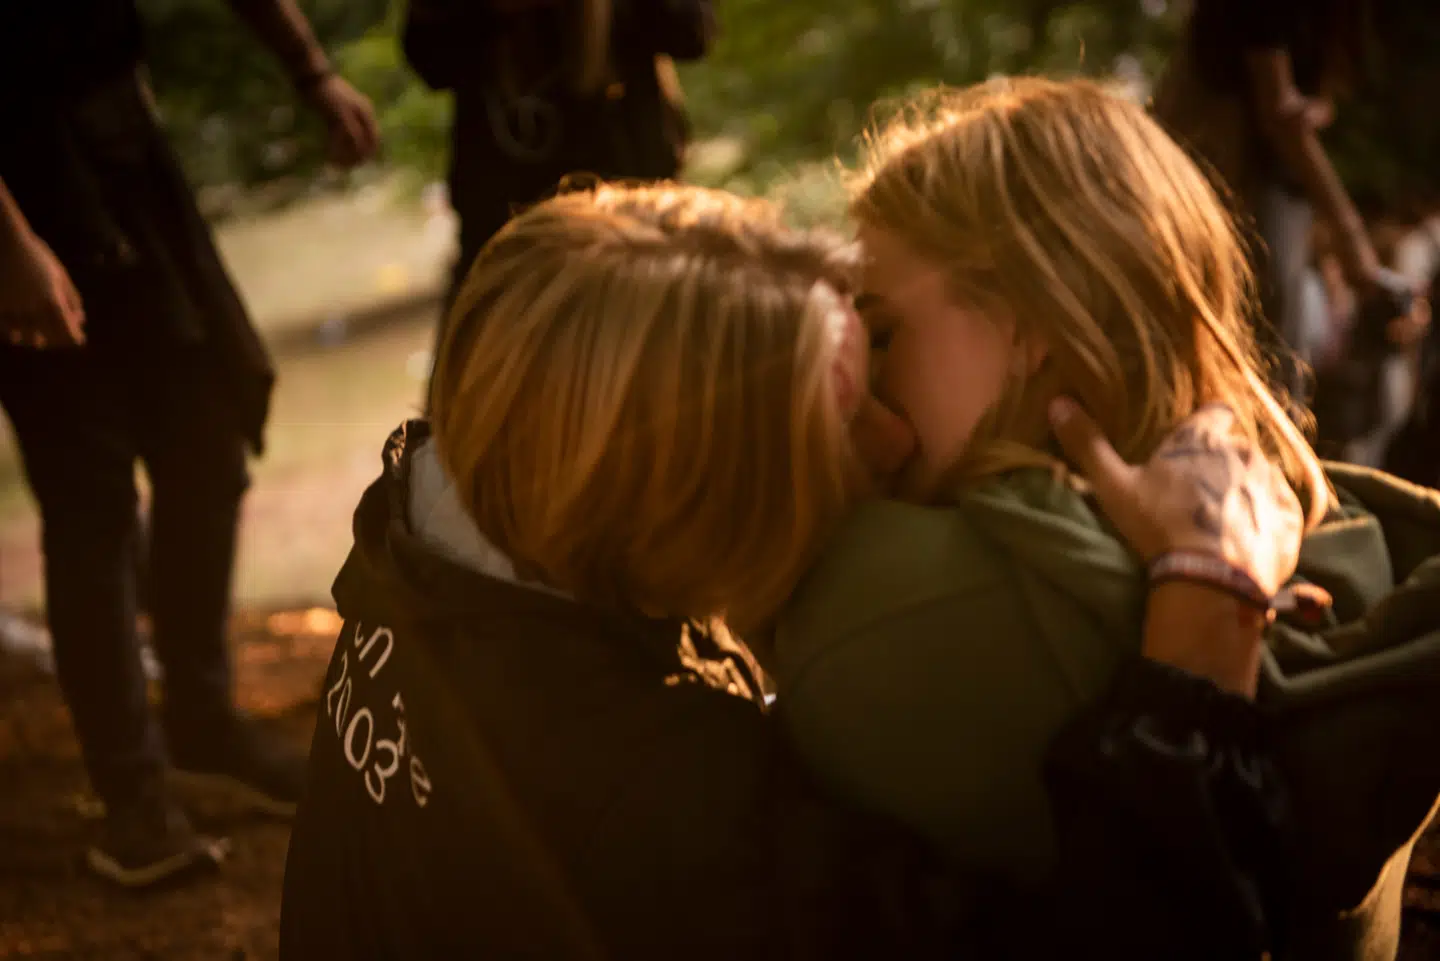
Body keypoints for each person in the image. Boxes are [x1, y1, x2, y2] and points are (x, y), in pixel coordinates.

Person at [281, 183, 1308, 961]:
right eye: (838, 426)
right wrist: (1206, 602)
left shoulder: (432, 541)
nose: (895, 440)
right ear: (689, 505)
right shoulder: (669, 812)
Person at [769, 76, 1440, 961]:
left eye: (886, 334)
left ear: (1034, 318)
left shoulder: (903, 607)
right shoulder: (1333, 529)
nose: (864, 400)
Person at [0, 0, 379, 887]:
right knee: (90, 495)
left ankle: (203, 720)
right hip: (22, 181)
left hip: (125, 151)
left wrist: (313, 72)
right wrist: (8, 247)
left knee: (209, 434)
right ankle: (133, 798)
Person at [401, 0, 715, 385]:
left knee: (664, 378)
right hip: (502, 224)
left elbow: (693, 33)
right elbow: (429, 61)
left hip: (635, 216)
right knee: (476, 389)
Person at [1151, 0, 1428, 400]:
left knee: (1278, 334)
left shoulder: (1334, 22)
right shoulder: (1273, 17)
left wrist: (1312, 109)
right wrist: (1350, 236)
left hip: (1265, 177)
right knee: (1260, 323)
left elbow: (1300, 108)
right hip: (1218, 172)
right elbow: (1278, 113)